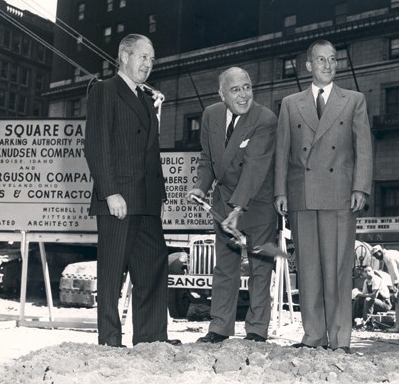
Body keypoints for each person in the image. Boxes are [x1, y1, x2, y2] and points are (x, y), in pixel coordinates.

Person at [274, 39, 373, 352]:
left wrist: (360, 187)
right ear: (308, 65)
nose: (328, 65)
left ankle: (339, 338)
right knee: (309, 268)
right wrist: (280, 190)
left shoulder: (354, 100)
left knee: (339, 270)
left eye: (333, 59)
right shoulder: (290, 103)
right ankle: (313, 335)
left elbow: (363, 149)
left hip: (340, 194)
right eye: (321, 60)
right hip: (301, 194)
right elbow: (282, 152)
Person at [84, 34, 180, 347]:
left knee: (153, 268)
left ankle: (151, 340)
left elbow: (150, 152)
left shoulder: (146, 99)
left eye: (152, 60)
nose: (148, 64)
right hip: (119, 199)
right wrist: (110, 192)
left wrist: (160, 196)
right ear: (124, 56)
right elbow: (96, 145)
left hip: (148, 202)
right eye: (143, 57)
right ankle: (110, 341)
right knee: (112, 275)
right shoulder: (104, 90)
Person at [187, 67, 278, 343]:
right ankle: (220, 328)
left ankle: (257, 330)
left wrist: (238, 209)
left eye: (247, 87)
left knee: (260, 268)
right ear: (222, 94)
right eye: (235, 89)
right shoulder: (211, 115)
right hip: (224, 200)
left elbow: (254, 168)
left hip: (258, 202)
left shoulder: (265, 118)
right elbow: (207, 158)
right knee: (225, 267)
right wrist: (200, 187)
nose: (243, 95)